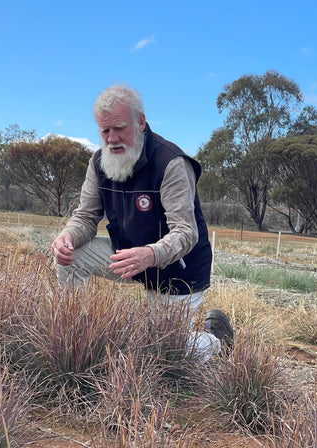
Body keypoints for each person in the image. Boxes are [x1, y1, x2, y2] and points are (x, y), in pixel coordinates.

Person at [52, 84, 233, 362]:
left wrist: (150, 254)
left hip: (177, 268)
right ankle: (75, 333)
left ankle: (216, 338)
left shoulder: (170, 162)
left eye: (119, 128)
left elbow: (186, 233)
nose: (111, 139)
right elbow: (86, 217)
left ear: (140, 121)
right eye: (104, 131)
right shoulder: (99, 162)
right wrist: (68, 237)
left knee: (167, 354)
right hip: (129, 256)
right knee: (70, 257)